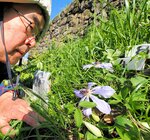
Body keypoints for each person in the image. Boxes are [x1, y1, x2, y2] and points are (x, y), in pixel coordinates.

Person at [0, 0, 51, 136]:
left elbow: (5, 80)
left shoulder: (3, 65)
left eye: (36, 35)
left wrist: (4, 98)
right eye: (31, 26)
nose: (33, 43)